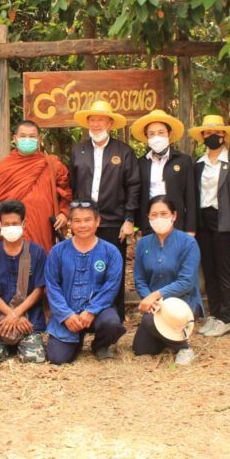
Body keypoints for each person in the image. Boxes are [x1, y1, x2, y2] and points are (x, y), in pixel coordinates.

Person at [69, 100, 139, 322]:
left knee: (112, 273)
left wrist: (129, 219)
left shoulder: (124, 151)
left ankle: (113, 321)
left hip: (113, 222)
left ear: (110, 122)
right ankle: (84, 317)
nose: (96, 123)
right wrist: (74, 219)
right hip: (83, 222)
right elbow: (72, 186)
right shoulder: (78, 150)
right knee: (84, 269)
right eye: (92, 119)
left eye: (101, 119)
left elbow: (134, 186)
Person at [44, 200, 125, 364]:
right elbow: (52, 287)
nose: (83, 225)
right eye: (77, 221)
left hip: (98, 312)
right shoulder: (57, 252)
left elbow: (111, 287)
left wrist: (92, 310)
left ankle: (100, 345)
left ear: (97, 221)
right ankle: (76, 339)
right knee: (57, 358)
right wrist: (66, 315)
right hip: (68, 312)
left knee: (111, 323)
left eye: (88, 220)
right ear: (70, 223)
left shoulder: (111, 252)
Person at [191, 114, 230, 338]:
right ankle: (213, 315)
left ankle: (226, 317)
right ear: (202, 137)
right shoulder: (197, 164)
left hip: (225, 221)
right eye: (208, 133)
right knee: (209, 270)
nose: (213, 136)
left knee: (225, 270)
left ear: (224, 135)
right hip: (203, 222)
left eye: (217, 132)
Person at [132, 196, 202, 365]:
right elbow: (139, 278)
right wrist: (150, 299)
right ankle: (166, 335)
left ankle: (183, 347)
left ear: (174, 216)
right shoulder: (143, 244)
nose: (159, 219)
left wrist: (154, 295)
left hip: (183, 302)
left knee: (149, 321)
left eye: (164, 213)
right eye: (154, 215)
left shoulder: (188, 243)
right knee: (141, 349)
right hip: (155, 305)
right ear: (148, 218)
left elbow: (186, 282)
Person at [0, 200, 47, 364]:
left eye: (15, 223)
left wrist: (17, 314)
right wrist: (11, 315)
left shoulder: (36, 253)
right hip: (1, 320)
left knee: (34, 358)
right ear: (0, 225)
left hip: (28, 321)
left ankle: (22, 343)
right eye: (6, 224)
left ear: (23, 224)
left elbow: (39, 289)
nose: (10, 227)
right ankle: (6, 344)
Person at [0, 120, 72, 253]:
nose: (27, 139)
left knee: (41, 262)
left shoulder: (51, 164)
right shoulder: (3, 168)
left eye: (32, 136)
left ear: (39, 139)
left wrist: (64, 213)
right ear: (15, 138)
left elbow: (67, 191)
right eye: (23, 136)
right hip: (12, 229)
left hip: (42, 227)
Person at [131, 110, 196, 234]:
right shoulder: (141, 163)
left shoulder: (183, 161)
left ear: (169, 134)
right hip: (149, 223)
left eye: (161, 133)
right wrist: (137, 224)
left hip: (176, 223)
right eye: (152, 133)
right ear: (147, 136)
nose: (156, 137)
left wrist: (190, 228)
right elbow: (136, 194)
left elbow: (191, 197)